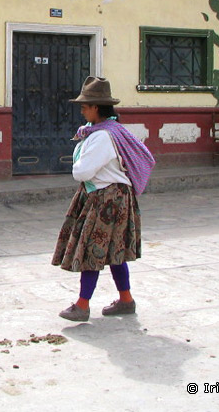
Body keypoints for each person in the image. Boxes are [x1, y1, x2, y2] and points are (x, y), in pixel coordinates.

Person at [52, 76, 155, 321]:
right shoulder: (113, 130)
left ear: (96, 107)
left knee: (92, 250)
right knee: (115, 250)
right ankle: (126, 300)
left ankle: (82, 305)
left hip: (105, 200)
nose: (82, 110)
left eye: (85, 106)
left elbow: (82, 172)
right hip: (118, 198)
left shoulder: (100, 137)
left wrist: (77, 161)